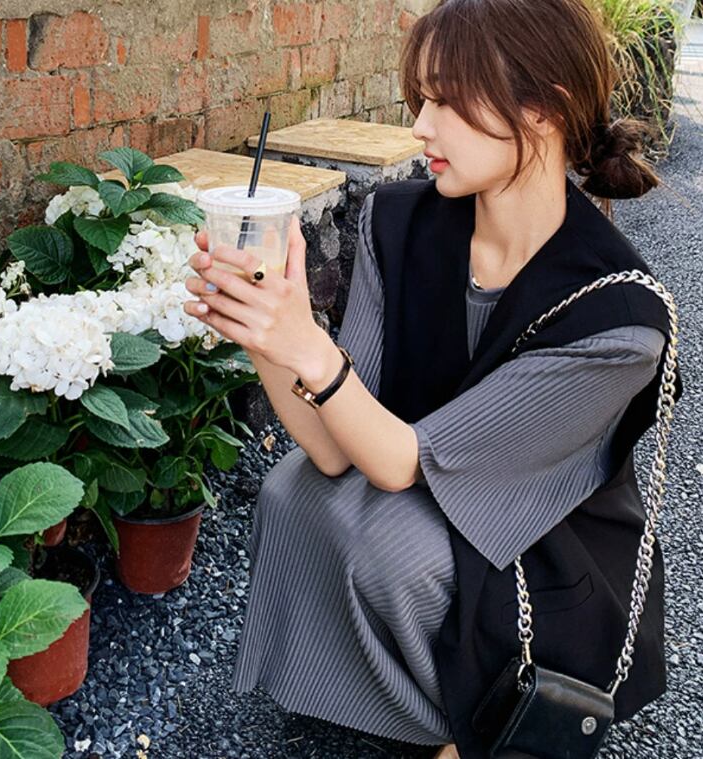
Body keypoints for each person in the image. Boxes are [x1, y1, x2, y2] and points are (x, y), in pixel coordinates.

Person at [183, 1, 683, 757]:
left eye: (446, 101)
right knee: (292, 490)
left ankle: (494, 725)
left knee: (389, 541)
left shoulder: (616, 319)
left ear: (543, 109)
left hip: (542, 556)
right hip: (420, 488)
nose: (419, 126)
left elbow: (397, 462)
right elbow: (335, 449)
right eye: (420, 98)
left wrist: (307, 346)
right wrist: (260, 330)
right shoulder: (397, 222)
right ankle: (399, 703)